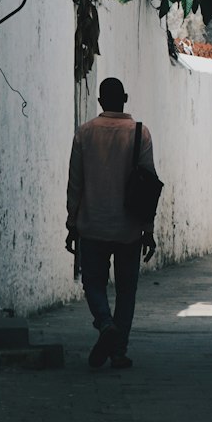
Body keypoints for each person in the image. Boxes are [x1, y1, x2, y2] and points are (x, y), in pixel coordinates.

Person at [65, 76, 158, 369]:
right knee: (127, 290)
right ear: (125, 98)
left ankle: (105, 323)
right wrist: (148, 229)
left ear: (101, 102)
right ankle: (119, 351)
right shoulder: (139, 134)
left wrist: (71, 222)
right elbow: (148, 184)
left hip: (92, 225)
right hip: (129, 228)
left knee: (93, 282)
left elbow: (75, 183)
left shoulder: (85, 133)